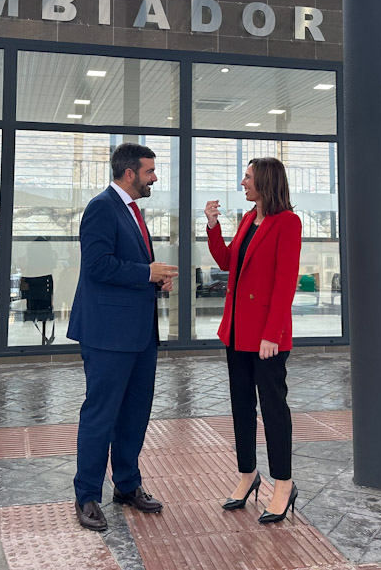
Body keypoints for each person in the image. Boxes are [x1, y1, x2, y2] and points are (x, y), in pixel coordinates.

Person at [67, 143, 179, 532]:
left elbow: (128, 268)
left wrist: (154, 281)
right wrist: (146, 273)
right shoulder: (102, 207)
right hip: (107, 334)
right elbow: (97, 266)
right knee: (101, 415)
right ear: (129, 173)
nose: (155, 177)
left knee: (134, 414)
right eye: (150, 171)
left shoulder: (133, 211)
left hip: (140, 333)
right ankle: (87, 496)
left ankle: (127, 485)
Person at [205, 157, 302, 525]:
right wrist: (213, 226)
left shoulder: (288, 223)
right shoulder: (249, 218)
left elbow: (284, 283)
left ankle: (283, 483)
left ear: (264, 182)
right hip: (236, 331)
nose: (242, 183)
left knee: (274, 410)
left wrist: (271, 334)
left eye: (247, 178)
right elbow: (228, 261)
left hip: (267, 337)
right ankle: (247, 475)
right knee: (241, 407)